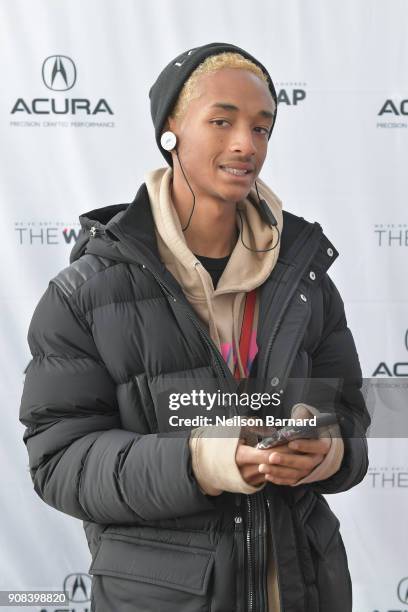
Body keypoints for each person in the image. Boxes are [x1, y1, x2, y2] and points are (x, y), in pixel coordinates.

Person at [20, 42, 370, 612]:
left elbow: (350, 414)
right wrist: (205, 460)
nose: (245, 144)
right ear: (170, 130)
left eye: (261, 128)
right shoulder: (86, 292)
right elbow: (61, 462)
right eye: (221, 121)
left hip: (304, 587)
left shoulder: (305, 276)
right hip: (163, 596)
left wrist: (325, 445)